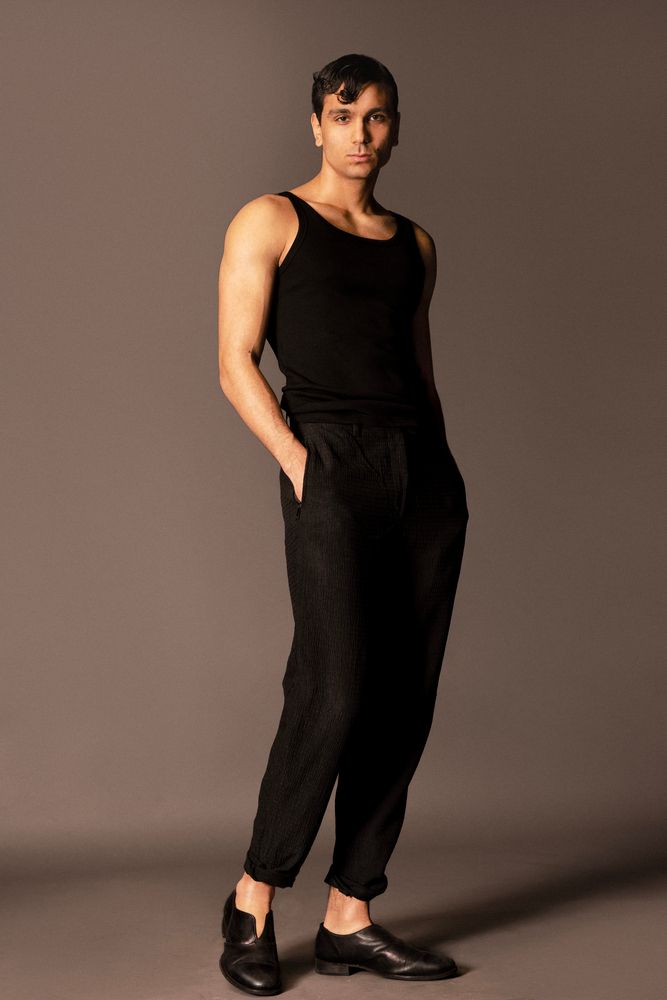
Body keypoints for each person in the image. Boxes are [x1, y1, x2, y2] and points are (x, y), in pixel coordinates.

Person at [216, 52, 469, 995]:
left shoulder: (415, 244)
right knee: (332, 686)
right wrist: (299, 465)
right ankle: (251, 900)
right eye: (343, 114)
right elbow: (235, 360)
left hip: (421, 476)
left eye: (378, 116)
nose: (361, 133)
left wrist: (441, 475)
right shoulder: (271, 219)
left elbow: (419, 372)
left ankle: (349, 914)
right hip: (328, 460)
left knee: (405, 695)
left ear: (395, 128)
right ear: (315, 125)